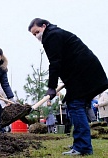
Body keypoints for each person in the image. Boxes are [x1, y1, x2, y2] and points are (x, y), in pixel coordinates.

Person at [28, 18, 108, 156]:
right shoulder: (56, 34)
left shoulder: (51, 36)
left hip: (84, 75)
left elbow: (55, 63)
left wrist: (51, 87)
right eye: (34, 35)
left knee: (75, 105)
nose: (37, 36)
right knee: (75, 106)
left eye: (37, 32)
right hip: (85, 74)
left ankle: (83, 147)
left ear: (44, 26)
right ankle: (80, 143)